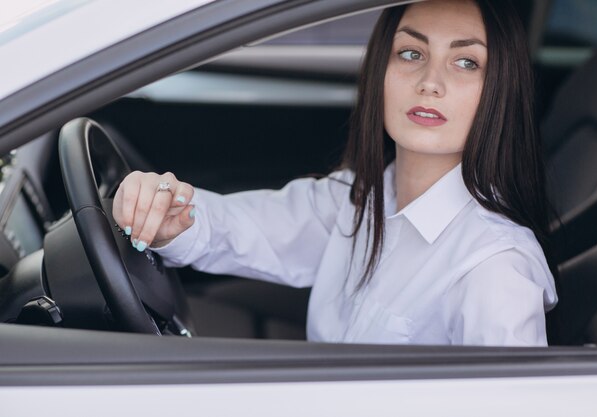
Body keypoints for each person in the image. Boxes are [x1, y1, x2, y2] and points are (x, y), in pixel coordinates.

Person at [112, 0, 558, 346]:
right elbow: (248, 228)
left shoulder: (495, 269)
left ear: (499, 89)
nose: (430, 81)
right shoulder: (359, 198)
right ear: (380, 69)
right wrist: (166, 210)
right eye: (410, 53)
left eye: (465, 62)